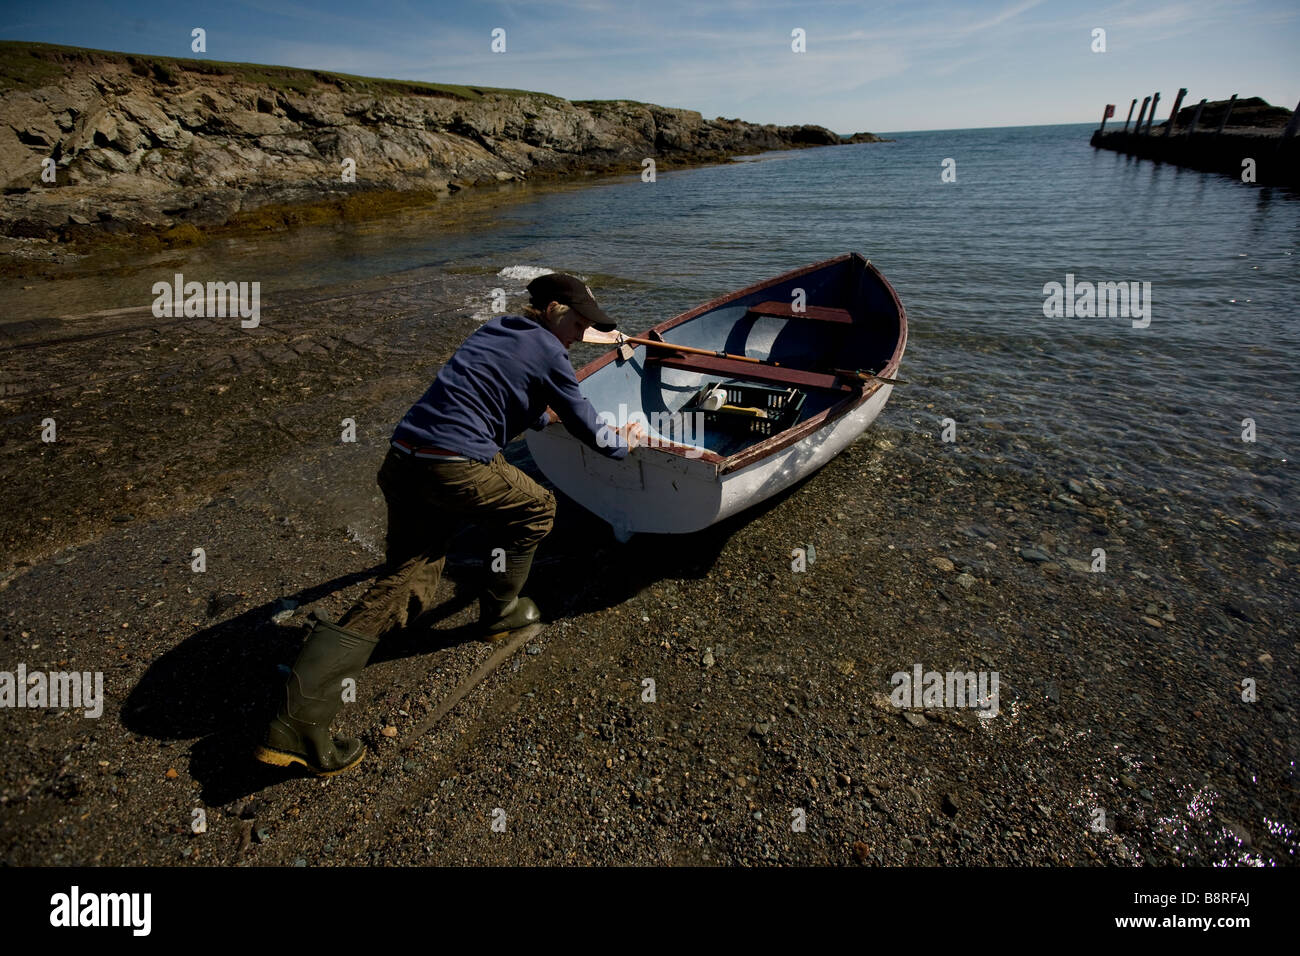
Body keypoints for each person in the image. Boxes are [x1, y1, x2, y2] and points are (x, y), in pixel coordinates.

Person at [254, 273, 646, 776]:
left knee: (408, 578)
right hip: (454, 463)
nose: (579, 332)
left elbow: (506, 397)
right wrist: (624, 443)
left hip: (403, 457)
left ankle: (300, 716)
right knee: (537, 508)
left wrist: (547, 414)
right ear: (551, 310)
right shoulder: (550, 350)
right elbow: (586, 422)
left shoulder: (497, 329)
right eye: (577, 322)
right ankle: (499, 611)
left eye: (587, 325)